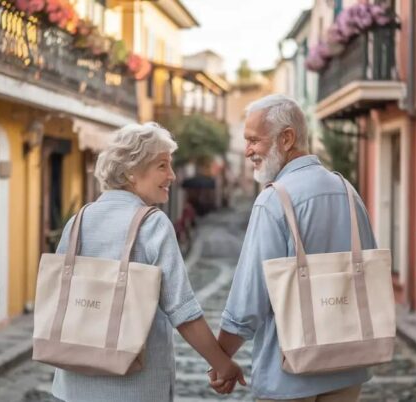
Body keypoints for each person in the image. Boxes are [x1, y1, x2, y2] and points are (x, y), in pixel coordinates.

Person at [52, 122, 245, 402]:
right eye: (162, 166)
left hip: (72, 388)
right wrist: (222, 363)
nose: (173, 176)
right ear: (132, 170)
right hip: (134, 389)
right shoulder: (152, 224)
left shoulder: (78, 221)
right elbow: (182, 310)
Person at [209, 95, 376, 401]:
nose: (247, 151)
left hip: (290, 374)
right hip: (348, 365)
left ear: (286, 138)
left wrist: (220, 359)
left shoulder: (274, 200)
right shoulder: (348, 192)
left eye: (253, 141)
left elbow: (248, 300)